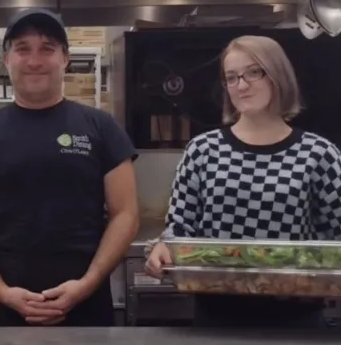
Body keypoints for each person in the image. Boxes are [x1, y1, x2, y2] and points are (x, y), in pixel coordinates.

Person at [0, 8, 140, 326]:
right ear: (6, 59)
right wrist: (2, 292)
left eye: (47, 48)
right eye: (22, 49)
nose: (34, 61)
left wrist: (87, 284)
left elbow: (126, 214)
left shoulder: (102, 128)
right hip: (5, 310)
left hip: (86, 309)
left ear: (65, 58)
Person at [145, 35, 341, 327]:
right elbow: (179, 228)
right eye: (232, 77)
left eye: (254, 72)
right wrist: (163, 248)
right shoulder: (203, 150)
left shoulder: (318, 153)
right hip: (215, 317)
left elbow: (336, 235)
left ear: (278, 75)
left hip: (297, 319)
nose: (242, 85)